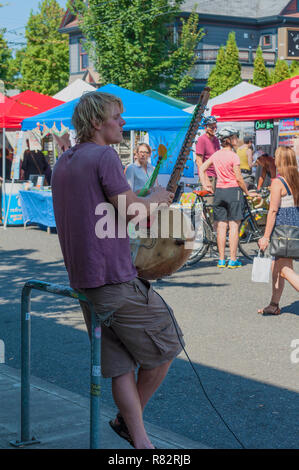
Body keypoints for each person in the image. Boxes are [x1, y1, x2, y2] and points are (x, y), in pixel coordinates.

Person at [51, 91, 184, 450]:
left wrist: (138, 200)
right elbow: (134, 213)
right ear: (97, 122)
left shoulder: (65, 161)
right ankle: (129, 423)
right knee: (167, 346)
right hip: (114, 279)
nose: (123, 122)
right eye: (117, 116)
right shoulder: (105, 155)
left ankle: (141, 444)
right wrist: (156, 198)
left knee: (121, 365)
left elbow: (99, 213)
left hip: (86, 281)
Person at [199, 127, 257, 269]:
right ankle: (232, 259)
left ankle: (221, 260)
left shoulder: (216, 155)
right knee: (234, 226)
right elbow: (238, 178)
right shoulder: (233, 155)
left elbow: (201, 168)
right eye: (235, 137)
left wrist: (205, 183)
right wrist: (248, 192)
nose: (237, 139)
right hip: (233, 192)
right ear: (229, 140)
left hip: (219, 192)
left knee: (221, 227)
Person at [258, 146, 299, 315]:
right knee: (277, 266)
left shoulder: (278, 182)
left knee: (283, 269)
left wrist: (265, 237)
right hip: (295, 223)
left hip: (283, 227)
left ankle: (273, 305)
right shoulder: (296, 179)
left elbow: (273, 211)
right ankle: (273, 305)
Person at [195, 116, 220, 198]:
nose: (215, 129)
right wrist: (206, 180)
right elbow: (199, 161)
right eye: (212, 127)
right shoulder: (202, 139)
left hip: (217, 176)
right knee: (209, 205)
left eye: (215, 126)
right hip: (208, 176)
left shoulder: (216, 140)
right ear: (205, 128)